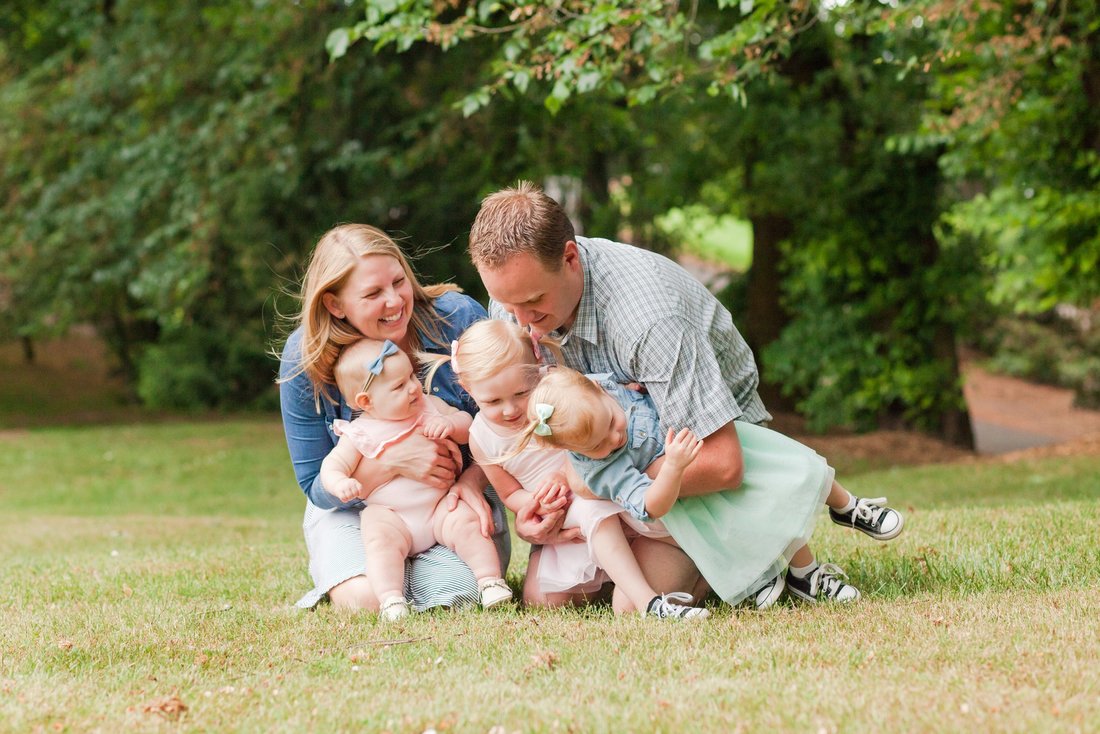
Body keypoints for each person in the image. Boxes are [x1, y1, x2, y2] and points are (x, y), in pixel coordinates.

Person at [468, 182, 903, 603]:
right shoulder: (514, 303)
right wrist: (535, 510)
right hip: (618, 474)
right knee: (547, 600)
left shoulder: (650, 323)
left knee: (636, 600)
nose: (522, 323)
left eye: (533, 303)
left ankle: (756, 553)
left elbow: (723, 464)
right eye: (507, 305)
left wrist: (593, 485)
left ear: (569, 258)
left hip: (694, 461)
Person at [515, 367, 895, 605]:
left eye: (613, 422)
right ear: (572, 451)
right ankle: (801, 575)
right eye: (597, 446)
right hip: (683, 488)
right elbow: (651, 505)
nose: (614, 439)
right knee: (760, 509)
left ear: (599, 391)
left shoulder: (598, 385)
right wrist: (673, 469)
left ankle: (847, 506)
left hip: (714, 447)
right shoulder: (600, 472)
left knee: (788, 465)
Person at [279, 223, 510, 611]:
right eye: (372, 294)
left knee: (461, 591)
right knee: (365, 599)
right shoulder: (306, 358)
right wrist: (391, 462)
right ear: (335, 304)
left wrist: (471, 481)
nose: (395, 301)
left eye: (398, 281)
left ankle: (422, 580)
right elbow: (314, 484)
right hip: (363, 512)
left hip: (451, 498)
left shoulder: (456, 319)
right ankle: (389, 584)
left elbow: (504, 423)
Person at [435, 319, 708, 619]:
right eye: (493, 401)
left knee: (592, 512)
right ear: (466, 388)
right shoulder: (481, 438)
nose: (510, 409)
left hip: (609, 492)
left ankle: (651, 600)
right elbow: (509, 491)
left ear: (537, 363)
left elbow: (593, 433)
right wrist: (534, 504)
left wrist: (565, 474)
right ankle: (614, 580)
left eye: (521, 393)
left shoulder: (558, 392)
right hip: (565, 516)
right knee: (541, 601)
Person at [320, 338, 512, 620]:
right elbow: (332, 465)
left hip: (439, 506)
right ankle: (391, 599)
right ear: (366, 401)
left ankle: (490, 581)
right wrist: (339, 483)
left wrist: (450, 424)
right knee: (379, 542)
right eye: (399, 386)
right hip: (392, 515)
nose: (413, 388)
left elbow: (469, 426)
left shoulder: (431, 406)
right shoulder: (360, 432)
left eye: (411, 376)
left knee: (468, 523)